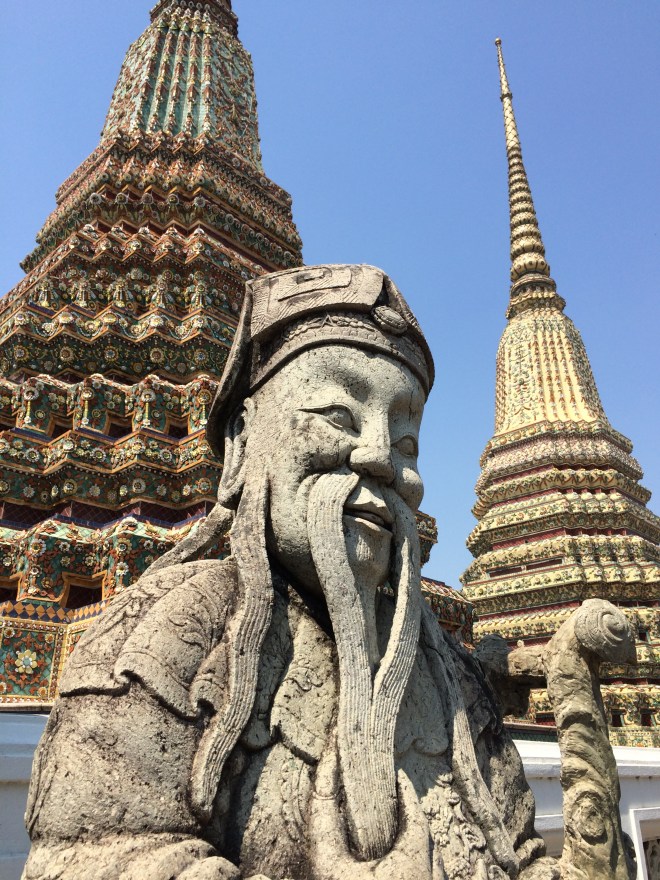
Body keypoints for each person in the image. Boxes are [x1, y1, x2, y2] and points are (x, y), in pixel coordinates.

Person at [23, 265, 568, 879]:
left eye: (406, 443)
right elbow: (98, 856)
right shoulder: (173, 632)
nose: (380, 458)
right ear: (242, 443)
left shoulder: (451, 678)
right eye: (338, 415)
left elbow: (521, 855)